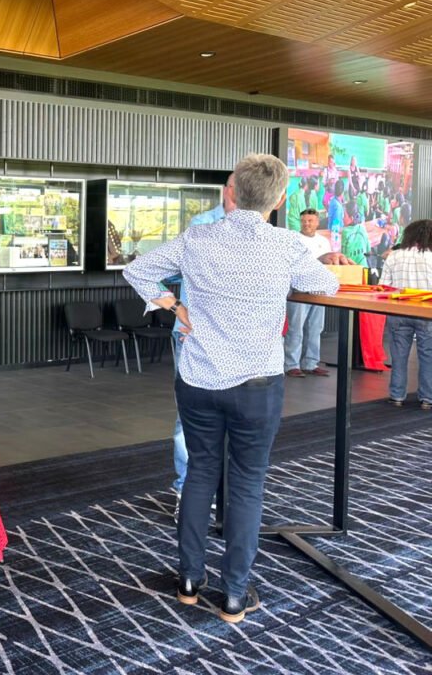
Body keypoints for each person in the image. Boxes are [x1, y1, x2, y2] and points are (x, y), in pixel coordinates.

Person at [124, 154, 341, 624]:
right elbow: (327, 285)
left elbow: (137, 270)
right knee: (247, 483)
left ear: (233, 192)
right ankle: (235, 595)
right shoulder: (286, 244)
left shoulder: (197, 238)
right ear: (279, 200)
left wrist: (174, 306)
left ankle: (188, 580)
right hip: (257, 383)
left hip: (198, 378)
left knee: (200, 473)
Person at [171, 173, 234, 523]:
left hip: (234, 340)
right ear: (228, 191)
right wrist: (177, 310)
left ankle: (221, 492)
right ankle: (186, 490)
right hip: (194, 337)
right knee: (188, 419)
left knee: (233, 418)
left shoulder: (259, 230)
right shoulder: (202, 225)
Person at [380, 219, 432, 410]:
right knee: (428, 355)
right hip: (427, 312)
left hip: (398, 310)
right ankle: (427, 398)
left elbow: (383, 286)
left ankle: (397, 396)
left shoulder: (394, 256)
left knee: (398, 355)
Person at [284, 208, 333, 378]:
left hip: (319, 291)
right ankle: (291, 364)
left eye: (310, 221)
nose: (306, 224)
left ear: (317, 222)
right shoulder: (293, 239)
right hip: (299, 291)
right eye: (304, 221)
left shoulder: (324, 242)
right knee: (296, 328)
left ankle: (310, 363)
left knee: (316, 328)